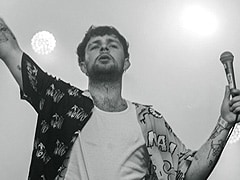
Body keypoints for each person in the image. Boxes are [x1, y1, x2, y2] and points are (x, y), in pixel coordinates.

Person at [0, 18, 240, 180]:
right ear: (82, 65)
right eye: (95, 46)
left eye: (112, 45)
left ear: (126, 62)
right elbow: (9, 48)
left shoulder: (149, 120)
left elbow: (188, 173)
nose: (104, 49)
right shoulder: (61, 100)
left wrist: (225, 121)